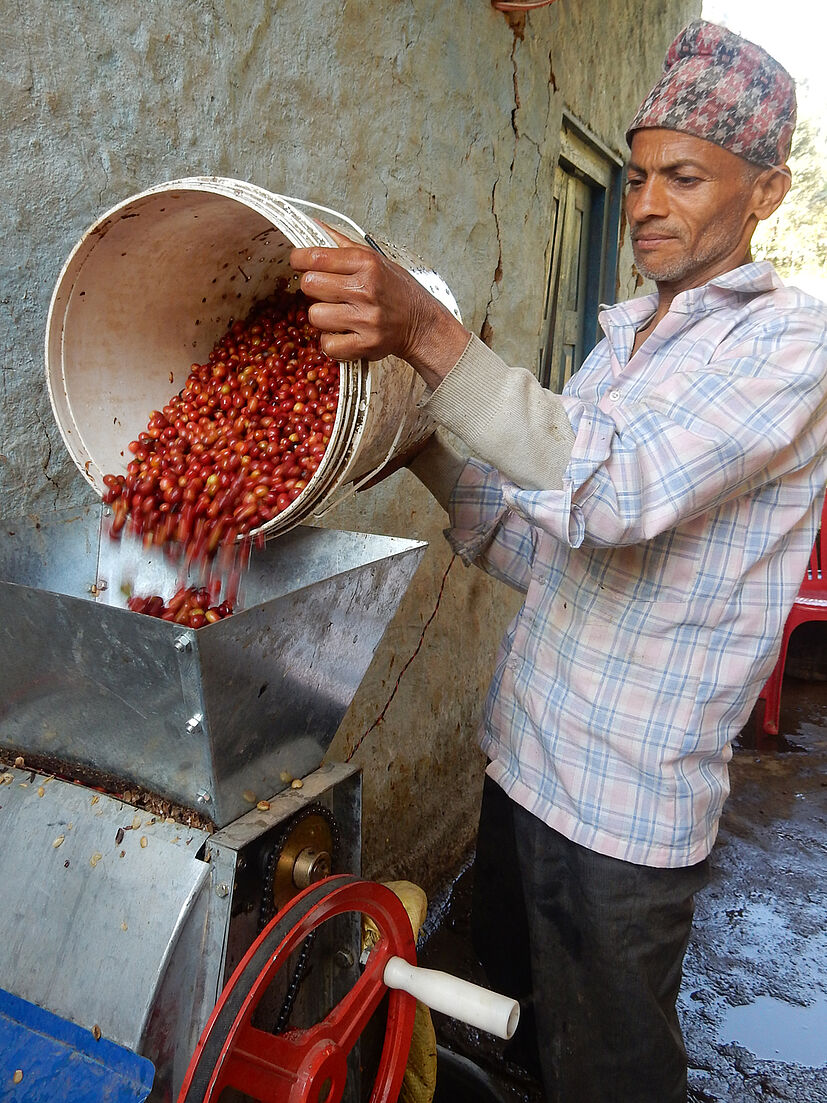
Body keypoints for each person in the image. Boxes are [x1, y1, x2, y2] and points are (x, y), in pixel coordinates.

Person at [290, 20, 827, 1102]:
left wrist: (430, 333)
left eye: (682, 177)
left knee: (610, 1075)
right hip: (523, 762)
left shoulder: (786, 346)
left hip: (624, 815)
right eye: (633, 177)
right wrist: (405, 424)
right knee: (516, 1031)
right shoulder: (624, 335)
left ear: (765, 193)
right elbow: (538, 538)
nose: (642, 204)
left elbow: (610, 489)